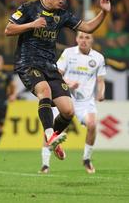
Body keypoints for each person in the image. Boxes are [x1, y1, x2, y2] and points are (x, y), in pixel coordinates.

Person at [4, 0, 110, 160]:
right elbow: (8, 29)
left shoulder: (62, 15)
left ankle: (53, 139)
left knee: (68, 110)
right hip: (27, 63)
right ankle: (50, 135)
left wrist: (104, 13)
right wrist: (31, 25)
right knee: (44, 90)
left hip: (50, 67)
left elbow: (87, 27)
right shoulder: (28, 8)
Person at [40, 32, 106, 174]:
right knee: (52, 129)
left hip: (85, 101)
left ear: (92, 40)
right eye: (81, 37)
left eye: (87, 38)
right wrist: (69, 82)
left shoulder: (98, 58)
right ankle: (45, 164)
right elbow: (57, 73)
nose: (83, 40)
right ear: (76, 39)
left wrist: (101, 92)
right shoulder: (69, 53)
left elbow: (100, 81)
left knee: (93, 124)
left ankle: (87, 159)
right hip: (66, 97)